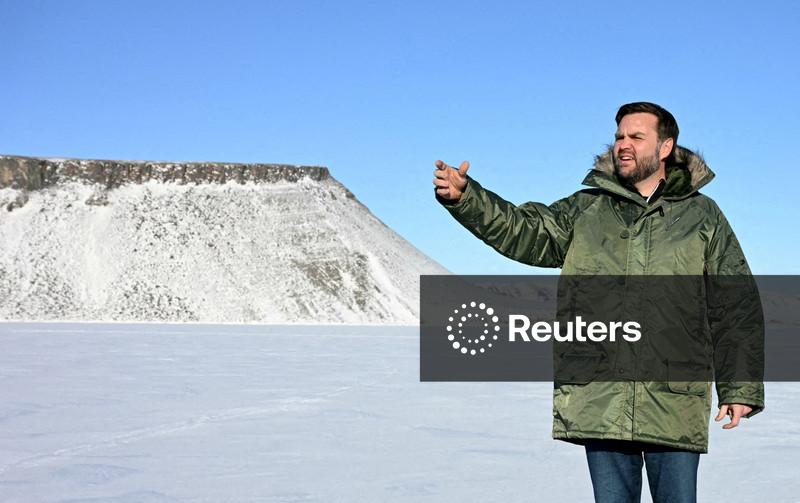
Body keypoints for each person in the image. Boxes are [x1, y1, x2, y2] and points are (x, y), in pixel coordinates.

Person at [433, 102, 764, 503]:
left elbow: (735, 304)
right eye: (619, 136)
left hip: (674, 398)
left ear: (664, 147)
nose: (623, 145)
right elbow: (525, 232)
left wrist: (740, 388)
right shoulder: (586, 208)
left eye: (636, 137)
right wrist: (468, 199)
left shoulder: (702, 216)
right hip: (601, 395)